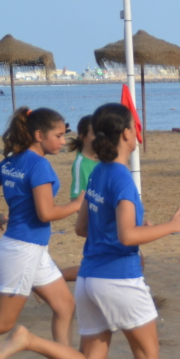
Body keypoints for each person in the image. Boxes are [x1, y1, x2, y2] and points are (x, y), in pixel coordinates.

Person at [0, 103, 180, 359]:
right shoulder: (122, 179)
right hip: (119, 280)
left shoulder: (98, 172)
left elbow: (84, 227)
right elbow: (127, 236)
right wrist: (171, 226)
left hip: (89, 281)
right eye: (134, 127)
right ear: (126, 133)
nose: (137, 132)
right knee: (147, 355)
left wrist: (139, 224)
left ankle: (29, 340)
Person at [0, 107, 82, 359]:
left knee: (65, 306)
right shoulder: (39, 165)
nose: (63, 141)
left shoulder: (10, 162)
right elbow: (46, 213)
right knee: (1, 322)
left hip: (28, 249)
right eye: (59, 135)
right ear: (39, 135)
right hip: (22, 251)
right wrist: (76, 205)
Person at [60, 114, 100, 283]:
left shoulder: (102, 160)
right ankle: (49, 280)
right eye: (95, 133)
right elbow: (76, 200)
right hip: (96, 223)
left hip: (108, 221)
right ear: (83, 137)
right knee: (94, 268)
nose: (100, 137)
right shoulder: (81, 164)